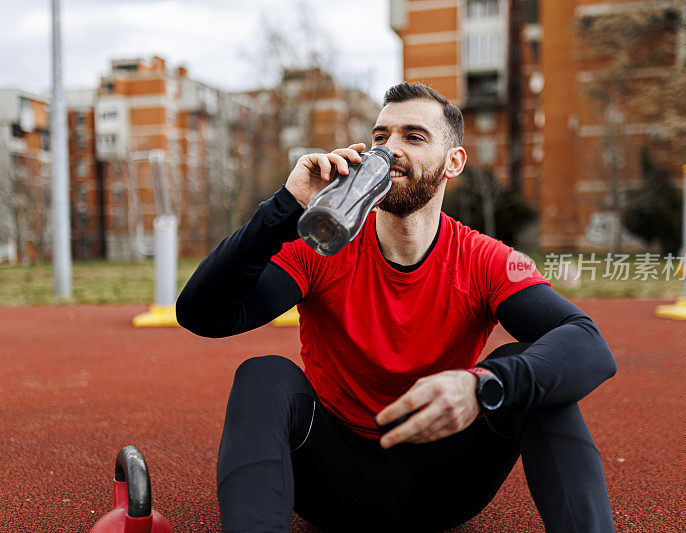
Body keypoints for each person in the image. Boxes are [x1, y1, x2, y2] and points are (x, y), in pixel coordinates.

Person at [177, 82, 617, 533]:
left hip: (444, 482)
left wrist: (484, 386)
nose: (390, 150)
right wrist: (282, 209)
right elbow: (203, 315)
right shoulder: (322, 245)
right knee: (264, 373)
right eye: (381, 137)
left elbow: (589, 344)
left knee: (526, 373)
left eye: (414, 136)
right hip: (334, 483)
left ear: (454, 162)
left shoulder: (485, 259)